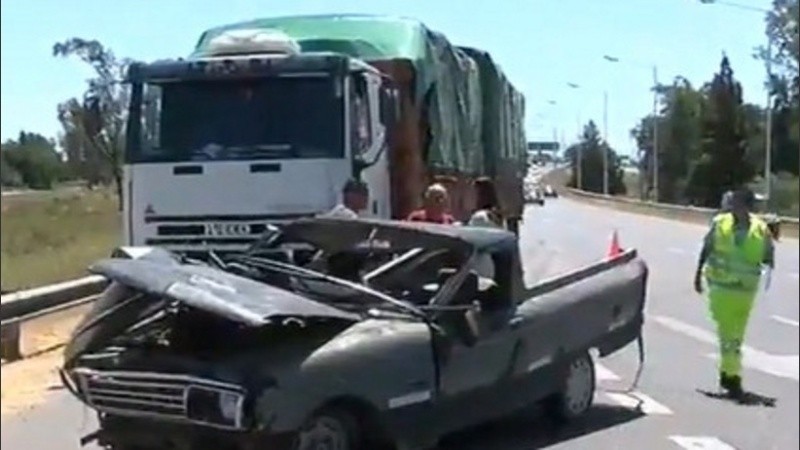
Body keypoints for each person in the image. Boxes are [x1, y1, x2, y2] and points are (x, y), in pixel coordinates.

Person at [693, 187, 775, 398]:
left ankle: (728, 374)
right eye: (735, 204)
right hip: (721, 289)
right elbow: (707, 248)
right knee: (728, 335)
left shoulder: (760, 229)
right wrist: (697, 274)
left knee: (735, 336)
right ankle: (732, 377)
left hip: (745, 292)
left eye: (740, 204)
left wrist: (770, 248)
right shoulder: (720, 223)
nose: (736, 208)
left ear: (748, 206)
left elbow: (768, 257)